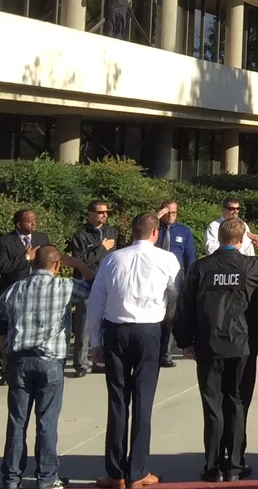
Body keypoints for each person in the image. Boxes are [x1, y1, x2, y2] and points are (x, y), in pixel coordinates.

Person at [175, 216, 258, 481]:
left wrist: (185, 341)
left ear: (218, 238)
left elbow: (185, 306)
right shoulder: (250, 266)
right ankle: (234, 465)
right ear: (243, 239)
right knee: (238, 404)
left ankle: (212, 466)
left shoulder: (200, 267)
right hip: (242, 344)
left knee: (212, 405)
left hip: (209, 344)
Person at [87, 212, 182, 489]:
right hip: (148, 331)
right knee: (143, 400)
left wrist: (95, 342)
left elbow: (96, 301)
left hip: (116, 330)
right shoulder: (166, 259)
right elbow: (177, 292)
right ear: (155, 233)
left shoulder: (113, 258)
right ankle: (138, 470)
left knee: (117, 400)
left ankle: (116, 473)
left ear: (132, 231)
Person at [0, 245, 74, 489]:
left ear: (31, 264)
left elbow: (1, 326)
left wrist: (5, 355)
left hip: (19, 358)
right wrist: (78, 264)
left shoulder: (13, 290)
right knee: (47, 421)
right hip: (49, 360)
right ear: (57, 265)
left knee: (17, 421)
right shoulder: (65, 287)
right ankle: (47, 478)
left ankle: (12, 478)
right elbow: (96, 284)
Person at [65, 199, 118, 377]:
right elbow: (82, 261)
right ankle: (81, 363)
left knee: (105, 323)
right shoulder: (81, 235)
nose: (104, 215)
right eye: (100, 212)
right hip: (87, 284)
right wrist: (101, 248)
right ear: (90, 214)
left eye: (106, 212)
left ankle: (99, 359)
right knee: (84, 324)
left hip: (107, 283)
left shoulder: (110, 232)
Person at [157, 200, 196, 368]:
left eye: (174, 212)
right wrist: (157, 216)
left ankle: (166, 354)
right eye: (168, 212)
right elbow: (139, 234)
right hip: (154, 278)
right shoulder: (154, 229)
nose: (171, 215)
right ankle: (153, 351)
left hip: (174, 279)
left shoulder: (183, 231)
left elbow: (190, 258)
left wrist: (190, 280)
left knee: (170, 318)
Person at [0, 209, 50, 297]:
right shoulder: (5, 241)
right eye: (30, 222)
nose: (34, 224)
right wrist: (26, 257)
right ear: (19, 224)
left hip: (38, 290)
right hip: (14, 292)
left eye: (34, 221)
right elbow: (1, 267)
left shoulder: (42, 238)